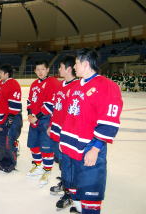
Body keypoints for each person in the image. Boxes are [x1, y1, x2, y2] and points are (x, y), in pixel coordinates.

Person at [59, 48, 123, 213]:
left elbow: (109, 121)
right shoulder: (75, 87)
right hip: (70, 147)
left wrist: (95, 148)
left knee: (89, 190)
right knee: (73, 184)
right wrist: (63, 140)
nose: (74, 67)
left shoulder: (106, 86)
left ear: (86, 64)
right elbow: (70, 116)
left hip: (88, 148)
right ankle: (79, 208)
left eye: (76, 63)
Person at [47, 56, 79, 210]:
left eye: (60, 67)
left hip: (67, 134)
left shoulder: (77, 87)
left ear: (68, 68)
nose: (58, 70)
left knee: (68, 164)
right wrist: (51, 125)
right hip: (56, 130)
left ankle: (70, 193)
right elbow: (56, 107)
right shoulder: (60, 85)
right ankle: (65, 183)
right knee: (60, 161)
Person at [26, 60, 60, 186]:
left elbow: (50, 104)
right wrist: (30, 114)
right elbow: (29, 101)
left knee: (46, 147)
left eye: (42, 69)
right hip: (34, 119)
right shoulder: (34, 84)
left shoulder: (53, 82)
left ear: (47, 70)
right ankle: (38, 166)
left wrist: (37, 117)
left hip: (45, 120)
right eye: (38, 70)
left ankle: (47, 170)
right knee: (33, 144)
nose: (40, 72)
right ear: (34, 71)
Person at [0, 64, 23, 173]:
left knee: (7, 140)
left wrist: (10, 119)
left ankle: (11, 160)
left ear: (7, 74)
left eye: (1, 72)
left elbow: (15, 104)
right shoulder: (1, 83)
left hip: (11, 117)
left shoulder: (13, 83)